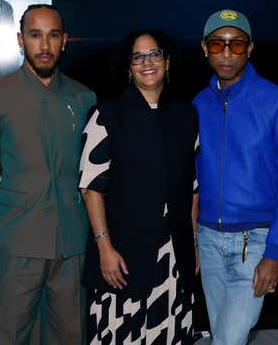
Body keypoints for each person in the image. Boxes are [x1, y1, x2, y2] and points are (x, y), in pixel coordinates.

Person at [0, 4, 96, 344]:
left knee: (71, 334)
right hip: (19, 241)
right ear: (20, 40)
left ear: (65, 41)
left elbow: (92, 173)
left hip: (72, 242)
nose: (44, 45)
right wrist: (11, 217)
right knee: (11, 334)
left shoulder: (84, 97)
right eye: (35, 35)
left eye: (53, 36)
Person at [193, 9, 278, 344]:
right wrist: (194, 240)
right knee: (224, 337)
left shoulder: (277, 102)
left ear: (250, 48)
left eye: (236, 44)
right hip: (209, 242)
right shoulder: (198, 105)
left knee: (227, 340)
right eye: (218, 44)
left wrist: (275, 252)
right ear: (205, 48)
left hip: (256, 244)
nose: (227, 53)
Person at [79, 30, 198, 344]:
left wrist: (194, 244)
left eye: (154, 54)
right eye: (138, 56)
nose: (147, 62)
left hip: (173, 256)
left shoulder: (186, 116)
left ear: (167, 62)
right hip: (122, 256)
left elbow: (193, 188)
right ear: (128, 67)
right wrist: (104, 248)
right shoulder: (107, 116)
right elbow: (91, 188)